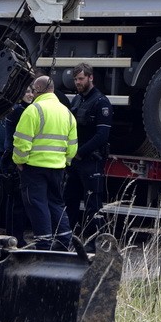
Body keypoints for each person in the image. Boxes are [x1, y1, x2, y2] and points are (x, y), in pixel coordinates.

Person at [12, 75, 77, 250]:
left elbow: (21, 141)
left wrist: (19, 161)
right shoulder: (67, 113)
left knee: (37, 204)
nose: (31, 93)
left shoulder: (33, 110)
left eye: (33, 90)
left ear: (39, 90)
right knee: (56, 203)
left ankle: (44, 242)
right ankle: (65, 240)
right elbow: (72, 145)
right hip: (57, 167)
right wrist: (65, 162)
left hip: (34, 168)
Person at [65, 63, 112, 246]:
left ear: (90, 78)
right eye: (75, 79)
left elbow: (102, 136)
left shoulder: (101, 102)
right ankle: (65, 240)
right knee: (69, 200)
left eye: (81, 79)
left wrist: (79, 153)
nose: (78, 82)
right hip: (76, 161)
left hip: (91, 160)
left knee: (93, 205)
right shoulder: (77, 100)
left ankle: (94, 243)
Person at [0, 84, 34, 245]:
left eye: (32, 92)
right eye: (27, 92)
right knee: (17, 201)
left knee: (13, 199)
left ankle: (12, 234)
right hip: (13, 159)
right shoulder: (20, 111)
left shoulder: (16, 109)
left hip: (9, 156)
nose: (30, 95)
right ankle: (17, 236)